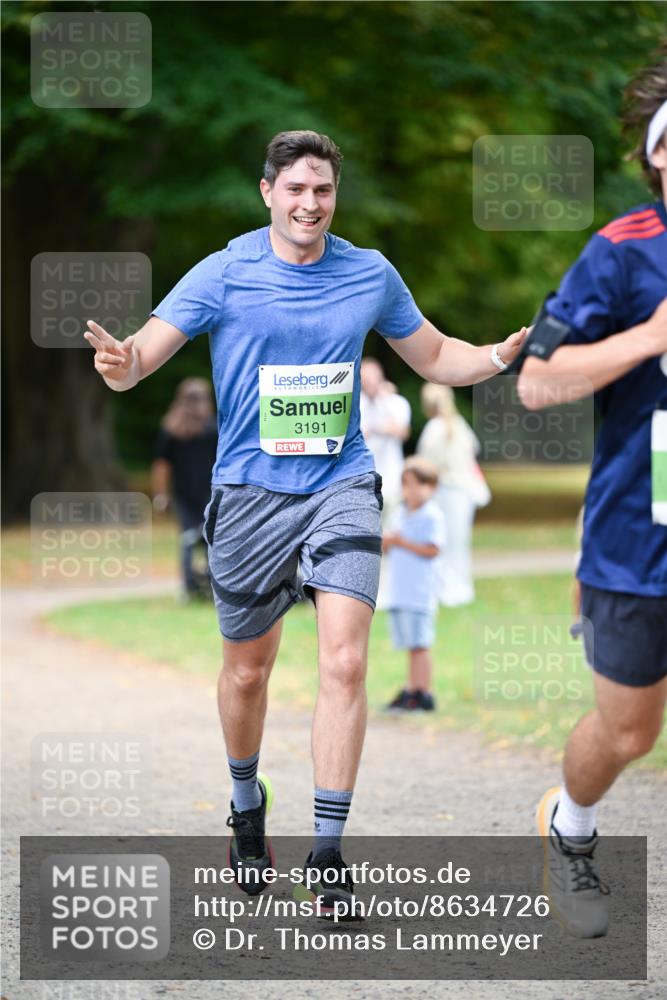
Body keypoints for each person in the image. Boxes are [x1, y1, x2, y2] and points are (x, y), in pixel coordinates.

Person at [84, 129, 526, 916]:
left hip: (342, 484)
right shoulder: (224, 272)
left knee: (346, 664)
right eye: (294, 189)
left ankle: (328, 853)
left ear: (334, 196)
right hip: (250, 494)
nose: (309, 203)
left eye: (321, 189)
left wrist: (495, 355)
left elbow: (433, 355)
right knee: (247, 672)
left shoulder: (368, 273)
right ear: (267, 193)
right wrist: (122, 367)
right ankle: (246, 806)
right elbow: (144, 356)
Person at [517, 56, 667, 938]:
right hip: (636, 538)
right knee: (626, 733)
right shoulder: (621, 250)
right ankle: (568, 828)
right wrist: (648, 335)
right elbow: (537, 384)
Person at [416, 383, 491, 606]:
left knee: (442, 541)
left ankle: (447, 589)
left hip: (446, 490)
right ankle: (460, 588)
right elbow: (472, 453)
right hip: (464, 491)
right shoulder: (459, 425)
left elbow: (426, 464)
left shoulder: (434, 428)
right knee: (459, 541)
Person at [383, 456, 445, 712]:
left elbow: (433, 549)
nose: (411, 491)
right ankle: (412, 688)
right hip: (400, 590)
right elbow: (389, 547)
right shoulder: (399, 513)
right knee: (409, 644)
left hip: (420, 592)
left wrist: (401, 542)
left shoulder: (432, 516)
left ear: (431, 488)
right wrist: (387, 542)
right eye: (407, 484)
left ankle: (424, 692)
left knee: (421, 644)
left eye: (418, 485)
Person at [151, 378, 218, 600]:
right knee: (210, 538)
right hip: (210, 492)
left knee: (187, 539)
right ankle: (210, 584)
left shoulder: (170, 429)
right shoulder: (213, 428)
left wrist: (160, 496)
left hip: (182, 493)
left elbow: (161, 466)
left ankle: (189, 588)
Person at [360, 357, 411, 517]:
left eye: (373, 378)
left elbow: (402, 432)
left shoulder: (396, 402)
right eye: (365, 379)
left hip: (392, 474)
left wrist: (383, 400)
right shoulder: (356, 404)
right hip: (365, 475)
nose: (370, 383)